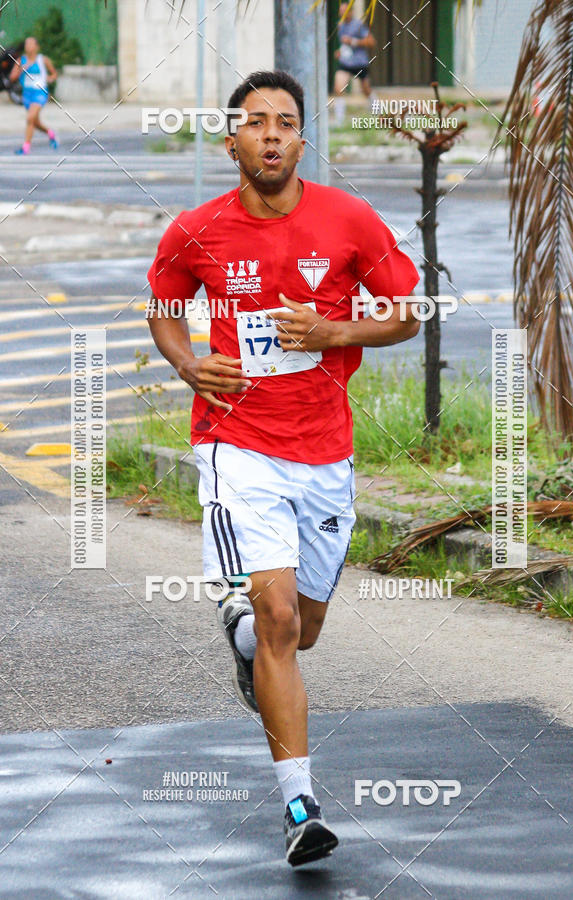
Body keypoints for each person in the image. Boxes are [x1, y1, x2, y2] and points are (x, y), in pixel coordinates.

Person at [147, 70, 420, 867]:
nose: (271, 134)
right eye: (256, 122)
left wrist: (334, 334)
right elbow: (163, 304)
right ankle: (301, 805)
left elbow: (405, 311)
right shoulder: (197, 231)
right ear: (230, 140)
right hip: (236, 445)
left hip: (324, 451)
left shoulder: (349, 220)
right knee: (278, 622)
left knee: (306, 627)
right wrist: (190, 366)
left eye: (286, 122)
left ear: (304, 139)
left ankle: (245, 640)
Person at [10, 36, 58, 155]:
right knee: (34, 122)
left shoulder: (43, 59)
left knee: (30, 118)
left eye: (31, 44)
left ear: (36, 47)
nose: (28, 47)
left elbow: (54, 74)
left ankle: (26, 147)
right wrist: (21, 69)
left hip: (40, 93)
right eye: (27, 44)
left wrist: (50, 79)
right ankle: (50, 133)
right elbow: (12, 78)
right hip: (27, 94)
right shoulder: (21, 60)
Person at [334, 1, 377, 126]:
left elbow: (371, 42)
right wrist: (340, 51)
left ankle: (378, 111)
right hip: (346, 63)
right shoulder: (340, 26)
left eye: (345, 11)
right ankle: (339, 121)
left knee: (366, 90)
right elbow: (344, 45)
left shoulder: (358, 25)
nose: (342, 14)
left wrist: (353, 41)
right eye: (341, 11)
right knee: (339, 88)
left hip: (360, 63)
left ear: (351, 12)